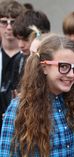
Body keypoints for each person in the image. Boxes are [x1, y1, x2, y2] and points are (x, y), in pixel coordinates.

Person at [0, 34, 74, 156]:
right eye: (63, 66)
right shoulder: (20, 107)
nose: (71, 74)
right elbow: (7, 153)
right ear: (44, 67)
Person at [0, 0, 25, 134]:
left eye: (13, 22)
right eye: (4, 22)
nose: (9, 27)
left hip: (21, 124)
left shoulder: (28, 57)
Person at [12, 9, 50, 92]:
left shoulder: (52, 59)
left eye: (26, 39)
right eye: (18, 39)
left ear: (40, 36)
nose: (20, 45)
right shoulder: (19, 59)